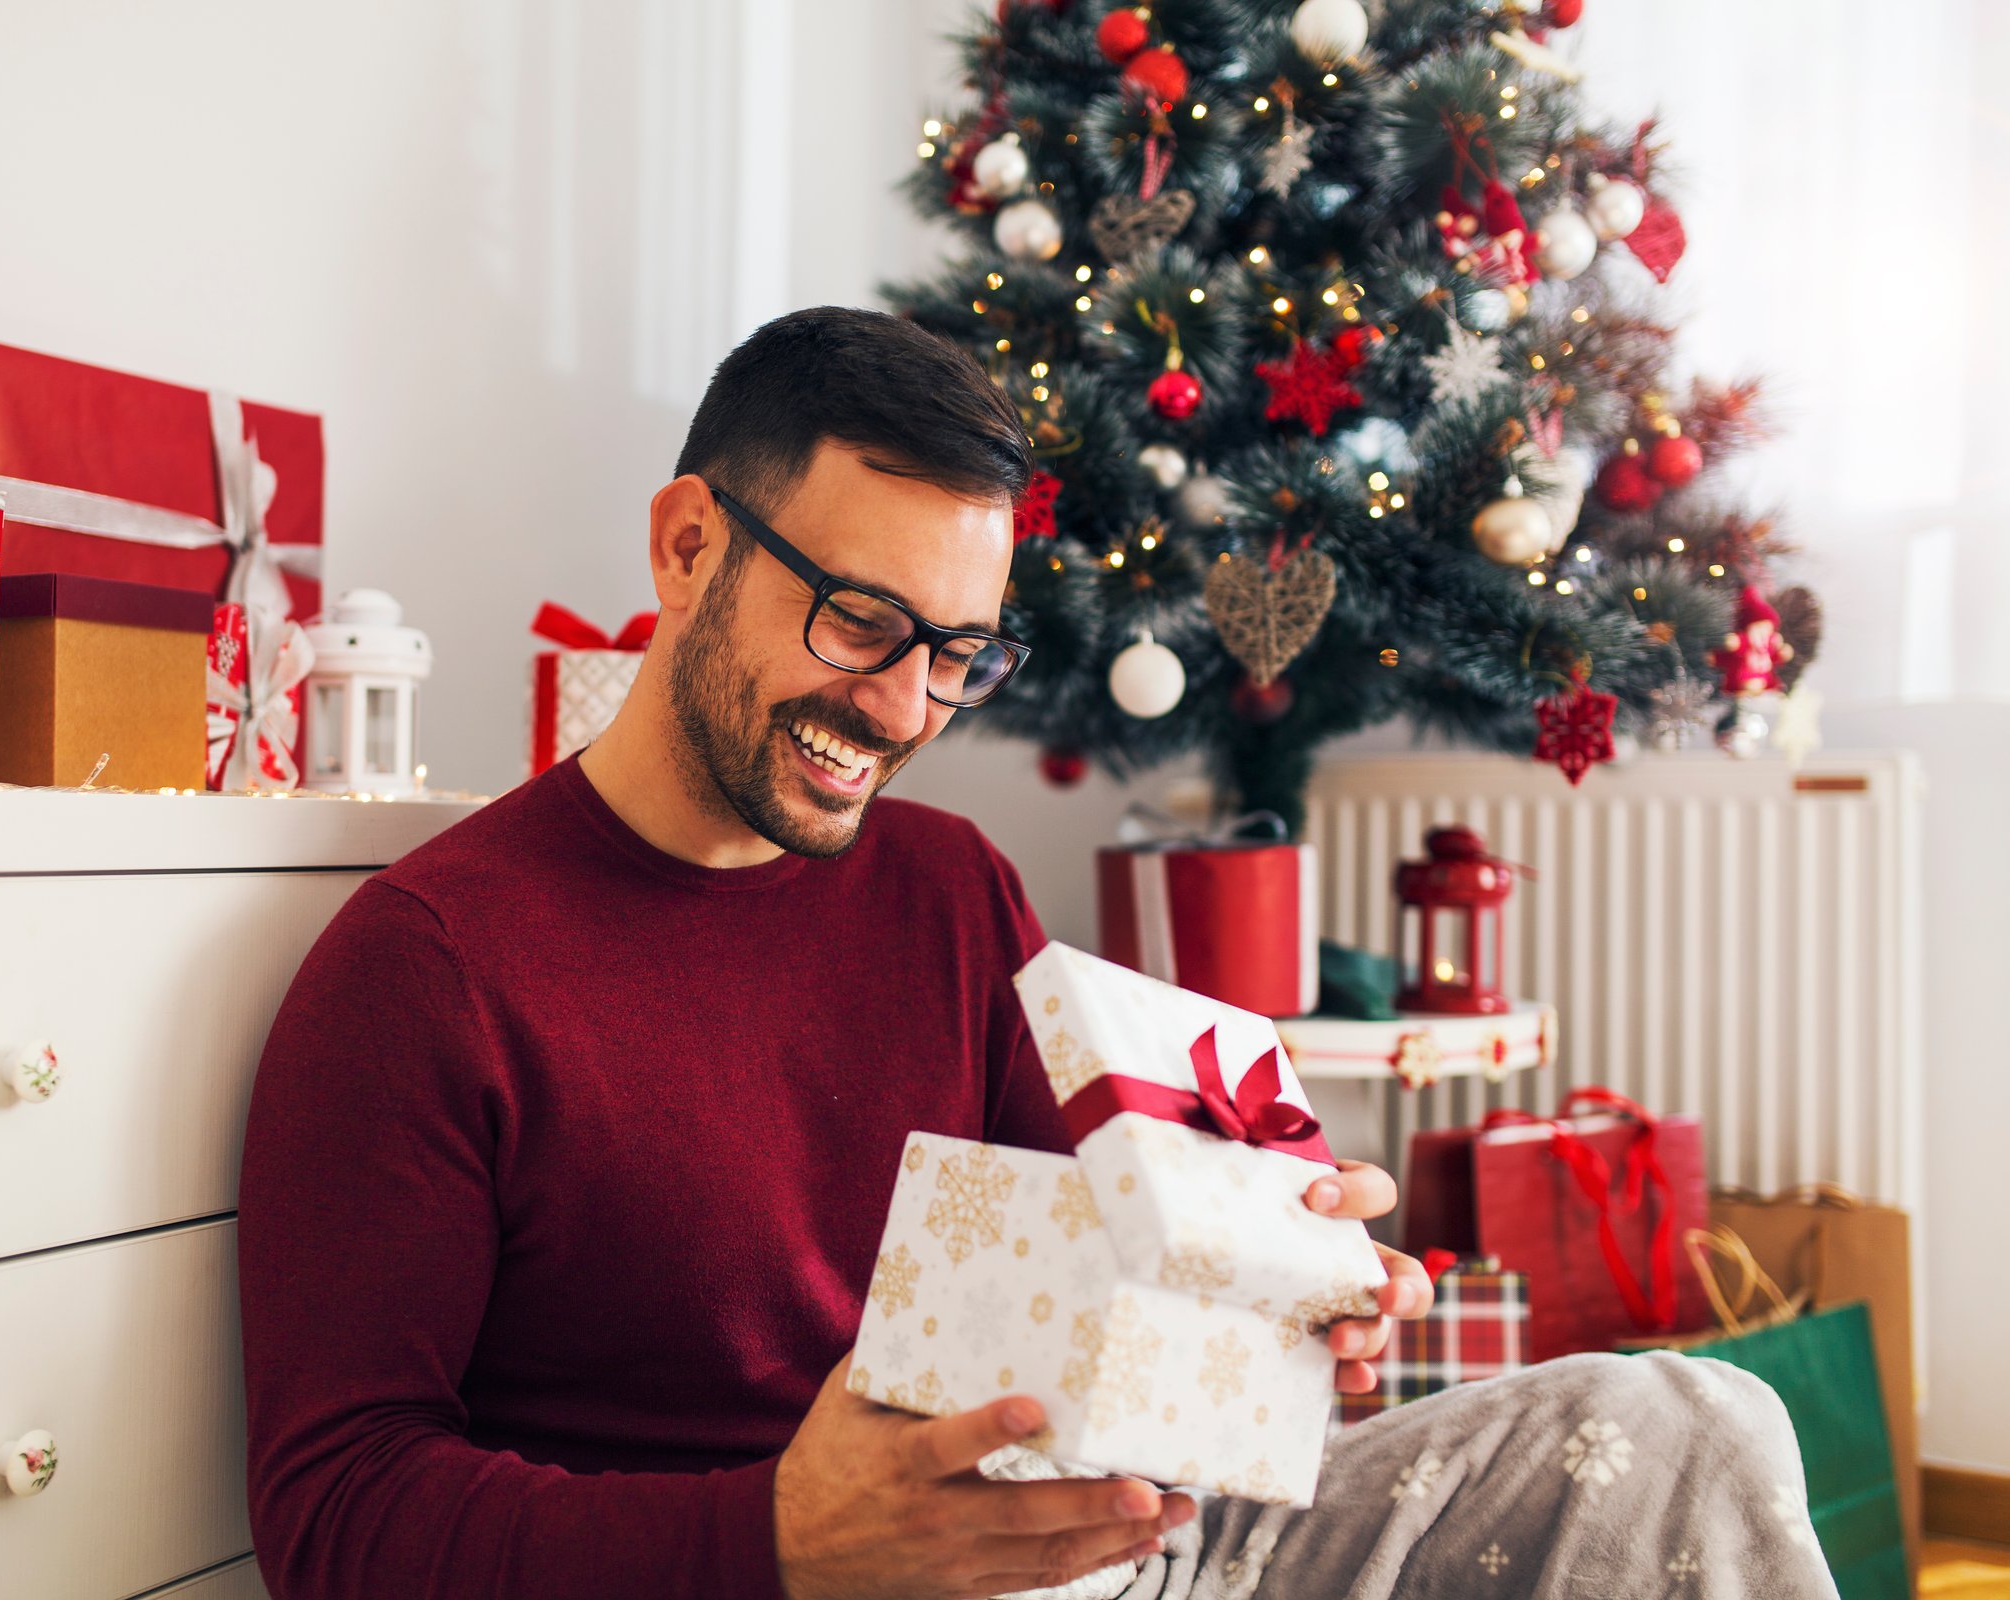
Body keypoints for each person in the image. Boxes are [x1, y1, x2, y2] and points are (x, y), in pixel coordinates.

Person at [237, 307, 1836, 1600]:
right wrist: (779, 1545)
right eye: (862, 622)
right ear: (684, 548)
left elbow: (1110, 1250)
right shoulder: (430, 969)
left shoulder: (945, 885)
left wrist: (1291, 1292)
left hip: (1122, 1549)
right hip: (790, 1581)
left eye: (959, 654)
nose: (903, 710)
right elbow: (337, 1518)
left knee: (1693, 1417)